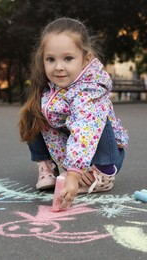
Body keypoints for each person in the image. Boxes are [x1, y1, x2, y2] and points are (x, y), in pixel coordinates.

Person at [18, 17, 129, 210]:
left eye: (68, 58)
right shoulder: (50, 89)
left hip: (104, 154)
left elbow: (84, 131)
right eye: (51, 59)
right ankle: (48, 169)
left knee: (92, 119)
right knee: (33, 113)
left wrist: (73, 174)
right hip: (79, 153)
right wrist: (70, 168)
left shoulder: (89, 90)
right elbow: (55, 135)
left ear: (85, 59)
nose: (58, 66)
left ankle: (102, 175)